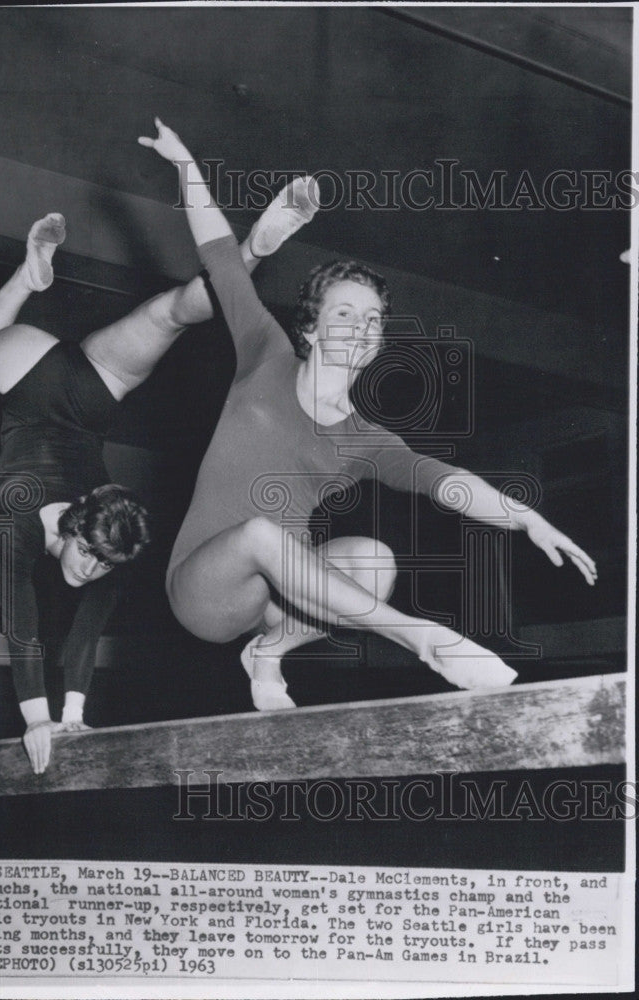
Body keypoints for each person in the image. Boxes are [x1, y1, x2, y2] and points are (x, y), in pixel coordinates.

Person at [138, 118, 598, 712]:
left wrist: (525, 517)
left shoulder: (367, 439)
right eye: (345, 315)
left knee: (375, 559)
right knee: (260, 533)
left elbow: (444, 482)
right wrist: (184, 165)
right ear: (309, 326)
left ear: (381, 341)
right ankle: (421, 638)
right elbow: (222, 260)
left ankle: (270, 652)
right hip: (204, 589)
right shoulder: (265, 354)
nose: (361, 328)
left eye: (373, 319)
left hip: (284, 594)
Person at [0, 187, 317, 772]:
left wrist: (72, 715)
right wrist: (39, 719)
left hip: (92, 390)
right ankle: (25, 280)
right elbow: (24, 631)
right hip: (30, 380)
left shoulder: (110, 543)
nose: (90, 570)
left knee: (172, 310)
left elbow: (83, 632)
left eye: (101, 564)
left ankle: (250, 251)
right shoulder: (12, 525)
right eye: (89, 557)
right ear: (75, 524)